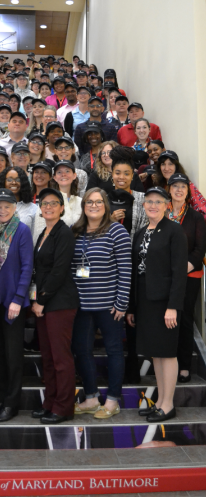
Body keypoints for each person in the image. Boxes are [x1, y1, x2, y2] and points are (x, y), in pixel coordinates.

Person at [127, 186, 188, 422]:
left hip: (166, 303)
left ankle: (168, 404)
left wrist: (173, 306)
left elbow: (178, 273)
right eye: (149, 201)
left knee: (167, 352)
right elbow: (136, 272)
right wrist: (133, 307)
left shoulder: (175, 231)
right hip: (145, 301)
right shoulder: (141, 232)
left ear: (166, 205)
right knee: (156, 354)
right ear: (144, 205)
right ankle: (161, 401)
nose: (153, 205)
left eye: (158, 202)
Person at [71, 188, 132, 419]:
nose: (93, 206)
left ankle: (113, 401)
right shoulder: (76, 231)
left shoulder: (116, 231)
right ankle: (91, 398)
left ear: (105, 205)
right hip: (82, 306)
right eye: (89, 202)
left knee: (114, 351)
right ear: (83, 205)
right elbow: (70, 267)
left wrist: (122, 303)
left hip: (109, 306)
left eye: (98, 202)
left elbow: (126, 270)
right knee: (82, 351)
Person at [0, 189, 33, 423]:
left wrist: (18, 299)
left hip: (12, 301)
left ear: (14, 208)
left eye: (7, 206)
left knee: (13, 355)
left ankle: (12, 403)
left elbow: (26, 267)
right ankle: (0, 399)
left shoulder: (21, 230)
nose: (2, 210)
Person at [32, 188, 79, 424]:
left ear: (62, 207)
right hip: (45, 302)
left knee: (61, 358)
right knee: (48, 358)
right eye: (44, 203)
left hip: (59, 302)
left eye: (53, 203)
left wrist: (41, 300)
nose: (48, 207)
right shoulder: (43, 233)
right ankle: (49, 402)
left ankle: (63, 407)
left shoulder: (64, 233)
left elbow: (59, 270)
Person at [166, 173, 206, 383]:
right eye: (175, 186)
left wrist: (185, 268)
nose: (179, 190)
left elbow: (200, 249)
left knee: (185, 319)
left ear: (188, 192)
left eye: (183, 187)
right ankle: (166, 363)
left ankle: (184, 366)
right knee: (166, 319)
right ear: (169, 190)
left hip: (189, 275)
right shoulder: (160, 213)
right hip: (164, 275)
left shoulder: (195, 217)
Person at [156, 150, 206, 219]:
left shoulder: (187, 186)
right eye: (163, 164)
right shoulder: (159, 185)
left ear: (176, 166)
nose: (166, 168)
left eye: (170, 164)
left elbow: (202, 209)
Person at [0, 166, 37, 231]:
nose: (14, 182)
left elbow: (34, 237)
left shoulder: (33, 208)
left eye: (18, 180)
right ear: (3, 181)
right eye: (9, 180)